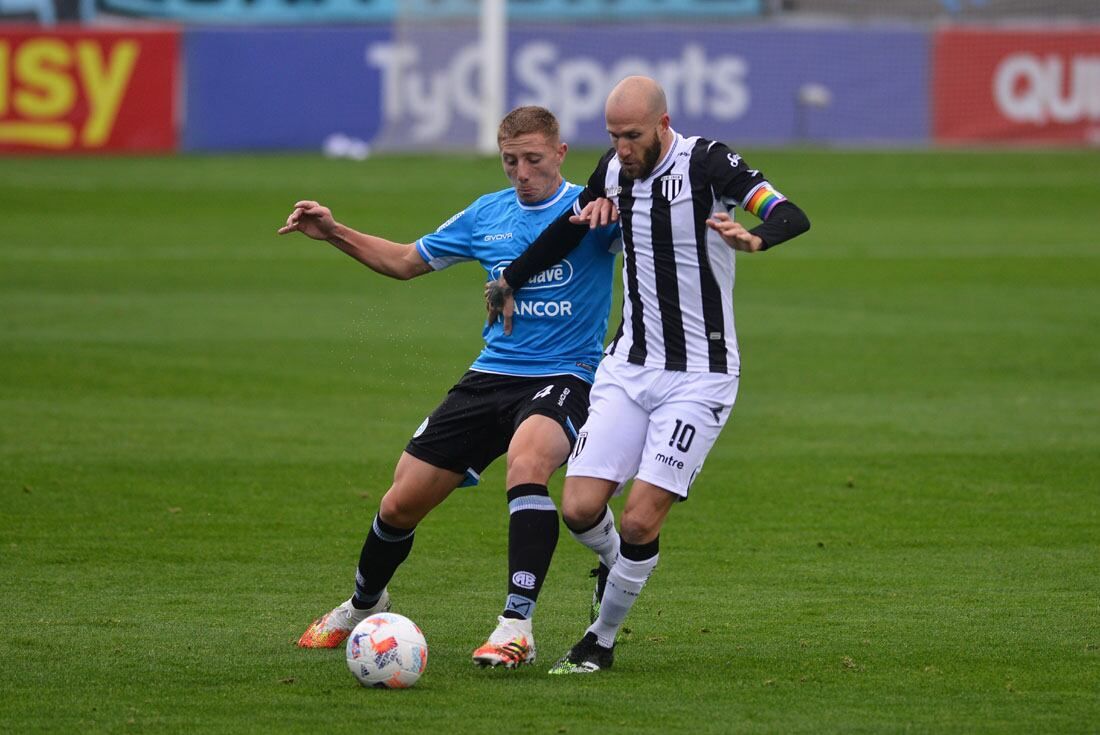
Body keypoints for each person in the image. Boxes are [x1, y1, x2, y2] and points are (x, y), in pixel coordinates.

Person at [485, 76, 811, 674]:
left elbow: (789, 212)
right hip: (628, 367)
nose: (622, 148)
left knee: (639, 518)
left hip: (700, 376)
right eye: (613, 136)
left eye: (632, 135)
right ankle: (618, 568)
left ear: (663, 124)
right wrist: (512, 279)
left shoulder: (708, 163)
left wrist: (756, 237)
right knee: (579, 507)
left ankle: (599, 640)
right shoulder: (614, 169)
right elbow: (567, 228)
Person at [279, 106, 620, 668]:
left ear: (560, 154)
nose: (522, 173)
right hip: (491, 375)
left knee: (527, 462)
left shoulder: (594, 210)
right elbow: (405, 261)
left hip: (566, 374)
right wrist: (334, 232)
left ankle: (516, 626)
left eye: (534, 159)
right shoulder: (487, 213)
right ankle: (365, 603)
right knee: (400, 502)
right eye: (510, 161)